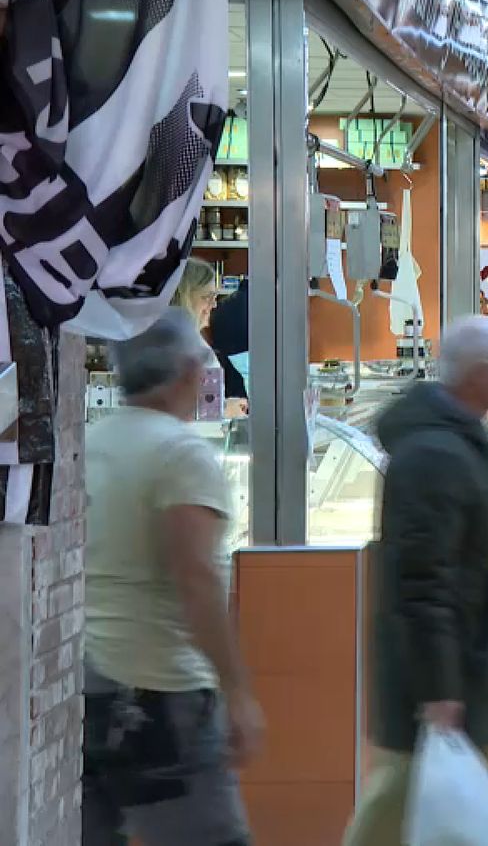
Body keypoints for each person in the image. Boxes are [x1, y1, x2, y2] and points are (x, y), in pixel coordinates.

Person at [343, 316, 488, 845]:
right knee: (410, 810)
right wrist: (441, 689)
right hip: (453, 689)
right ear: (477, 374)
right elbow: (424, 584)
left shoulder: (458, 440)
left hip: (472, 678)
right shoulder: (434, 455)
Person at [83, 308, 264, 846]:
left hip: (89, 689)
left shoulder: (93, 441)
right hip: (161, 699)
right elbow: (196, 581)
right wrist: (238, 690)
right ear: (187, 372)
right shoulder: (181, 452)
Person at [171, 258, 220, 329]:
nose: (214, 304)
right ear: (181, 297)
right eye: (207, 297)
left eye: (214, 297)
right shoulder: (171, 338)